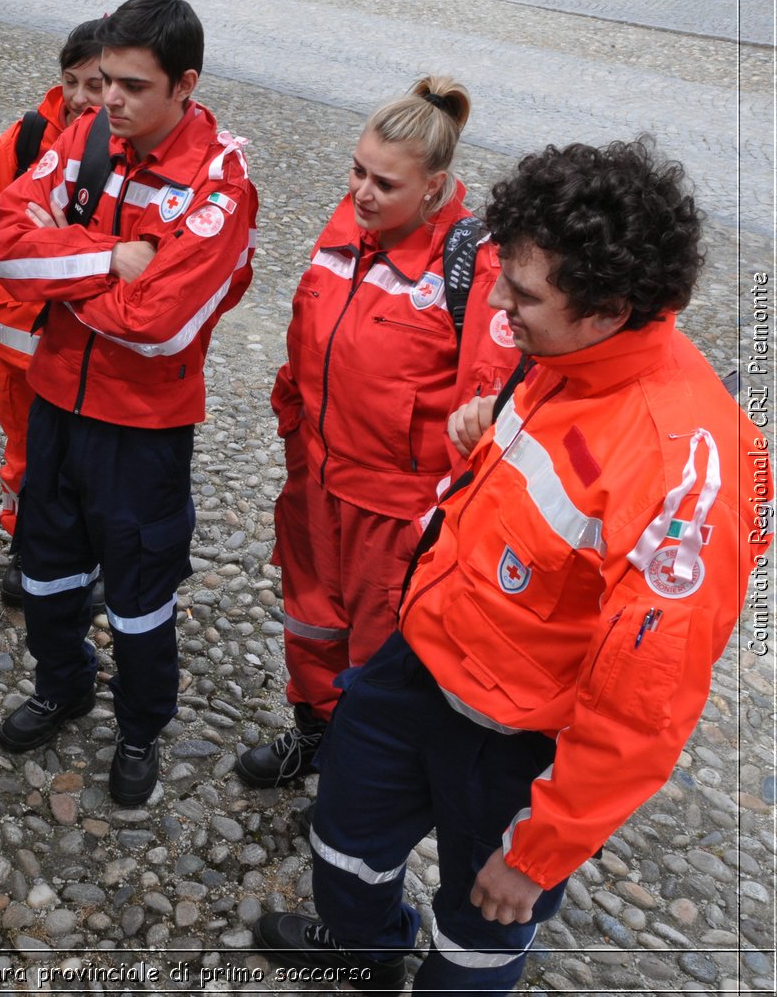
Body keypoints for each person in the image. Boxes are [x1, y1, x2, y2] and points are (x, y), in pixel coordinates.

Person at [253, 139, 771, 996]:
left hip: (512, 746)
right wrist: (488, 430)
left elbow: (646, 706)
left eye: (522, 294)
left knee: (482, 929)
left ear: (609, 309)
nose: (495, 303)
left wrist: (538, 853)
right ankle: (367, 948)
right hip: (417, 663)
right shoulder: (569, 353)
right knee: (342, 842)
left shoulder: (685, 474)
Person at [0, 0, 259, 806]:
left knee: (139, 598)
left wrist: (59, 269)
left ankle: (141, 725)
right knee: (46, 572)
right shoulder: (90, 135)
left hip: (143, 431)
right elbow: (3, 245)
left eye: (133, 86)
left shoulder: (221, 183)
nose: (109, 100)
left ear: (186, 84)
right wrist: (111, 257)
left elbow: (158, 326)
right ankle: (62, 684)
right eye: (104, 80)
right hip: (57, 406)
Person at [235, 77, 521, 791]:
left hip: (396, 518)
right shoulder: (347, 228)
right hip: (317, 487)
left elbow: (484, 416)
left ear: (434, 189)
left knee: (381, 659)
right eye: (356, 170)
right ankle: (315, 734)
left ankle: (359, 789)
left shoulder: (473, 266)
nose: (362, 192)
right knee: (310, 629)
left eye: (384, 183)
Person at [0, 18, 106, 605]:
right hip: (18, 346)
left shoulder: (134, 153)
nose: (79, 97)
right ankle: (29, 546)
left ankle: (87, 552)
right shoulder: (23, 142)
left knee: (88, 457)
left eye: (95, 84)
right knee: (26, 449)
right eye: (71, 81)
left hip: (89, 348)